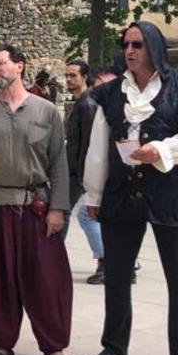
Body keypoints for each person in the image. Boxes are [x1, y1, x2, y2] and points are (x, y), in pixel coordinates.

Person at [82, 22, 178, 355]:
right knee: (117, 276)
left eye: (137, 44)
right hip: (122, 192)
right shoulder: (110, 93)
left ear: (153, 46)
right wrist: (93, 193)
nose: (130, 50)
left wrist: (162, 150)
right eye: (126, 44)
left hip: (170, 191)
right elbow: (99, 147)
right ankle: (114, 347)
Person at [0, 44, 80, 355]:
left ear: (20, 66)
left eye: (1, 63)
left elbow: (58, 163)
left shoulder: (46, 111)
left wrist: (58, 208)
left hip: (35, 208)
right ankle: (1, 343)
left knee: (47, 279)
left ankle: (54, 347)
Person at [65, 59, 108, 284]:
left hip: (80, 172)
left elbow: (92, 144)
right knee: (84, 215)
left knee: (76, 214)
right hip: (77, 170)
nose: (68, 80)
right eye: (67, 75)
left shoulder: (88, 104)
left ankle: (108, 261)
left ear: (84, 77)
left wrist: (85, 175)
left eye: (73, 75)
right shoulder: (82, 102)